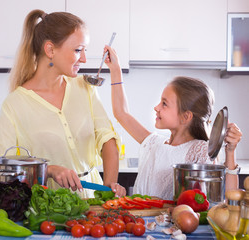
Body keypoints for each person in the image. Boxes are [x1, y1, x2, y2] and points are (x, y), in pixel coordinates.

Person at [0, 9, 126, 198]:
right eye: (78, 50)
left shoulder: (85, 88)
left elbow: (107, 139)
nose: (84, 59)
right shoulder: (15, 104)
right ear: (50, 50)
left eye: (84, 50)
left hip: (95, 203)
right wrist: (49, 169)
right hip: (48, 210)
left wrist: (110, 187)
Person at [104, 46, 242, 200]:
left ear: (186, 116)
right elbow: (121, 113)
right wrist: (115, 69)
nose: (156, 107)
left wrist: (231, 151)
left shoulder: (200, 150)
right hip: (142, 222)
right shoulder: (154, 143)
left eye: (164, 104)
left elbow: (229, 196)